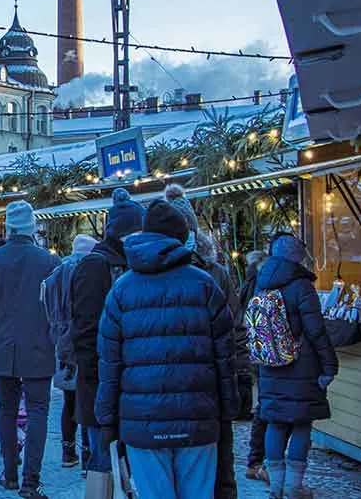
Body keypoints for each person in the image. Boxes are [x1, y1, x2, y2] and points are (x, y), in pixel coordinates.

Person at [95, 199, 239, 499]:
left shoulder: (122, 289)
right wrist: (228, 411)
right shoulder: (205, 285)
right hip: (199, 418)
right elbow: (226, 360)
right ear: (181, 237)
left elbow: (109, 365)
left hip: (142, 422)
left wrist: (106, 421)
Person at [0, 200, 60, 499]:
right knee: (38, 412)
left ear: (8, 227)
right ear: (33, 227)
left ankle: (10, 473)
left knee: (6, 412)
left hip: (2, 349)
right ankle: (30, 481)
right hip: (39, 348)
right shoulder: (49, 262)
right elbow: (57, 311)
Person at [164, 183, 243, 499]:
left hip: (177, 391)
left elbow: (234, 330)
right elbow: (234, 330)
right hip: (204, 389)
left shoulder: (137, 277)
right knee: (210, 472)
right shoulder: (215, 273)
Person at [254, 234, 339, 499]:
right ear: (298, 256)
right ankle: (293, 488)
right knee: (302, 424)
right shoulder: (301, 286)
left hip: (270, 365)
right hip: (302, 367)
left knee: (275, 423)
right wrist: (329, 365)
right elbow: (316, 331)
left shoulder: (262, 282)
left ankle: (276, 487)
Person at [71, 188, 143, 496]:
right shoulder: (96, 265)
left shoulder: (131, 263)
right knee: (103, 460)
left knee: (127, 465)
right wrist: (100, 380)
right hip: (101, 384)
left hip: (129, 385)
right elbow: (85, 333)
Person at [41, 233, 97, 469]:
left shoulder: (55, 275)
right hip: (86, 341)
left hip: (62, 344)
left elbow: (45, 306)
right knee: (88, 401)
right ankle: (87, 457)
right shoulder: (91, 272)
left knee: (69, 401)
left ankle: (68, 452)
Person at [242, 249, 270, 482]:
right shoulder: (263, 285)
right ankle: (259, 461)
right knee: (265, 408)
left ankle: (255, 461)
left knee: (262, 405)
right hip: (266, 352)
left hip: (255, 349)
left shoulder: (249, 282)